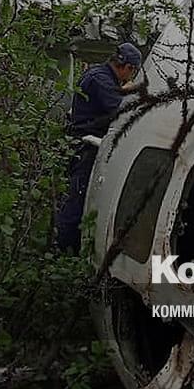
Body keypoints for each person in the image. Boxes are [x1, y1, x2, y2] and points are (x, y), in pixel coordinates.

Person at [55, 42, 142, 253]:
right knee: (77, 202)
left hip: (84, 145)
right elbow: (121, 110)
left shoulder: (100, 75)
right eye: (132, 73)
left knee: (82, 199)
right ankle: (63, 251)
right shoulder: (100, 80)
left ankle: (67, 249)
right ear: (128, 68)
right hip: (84, 146)